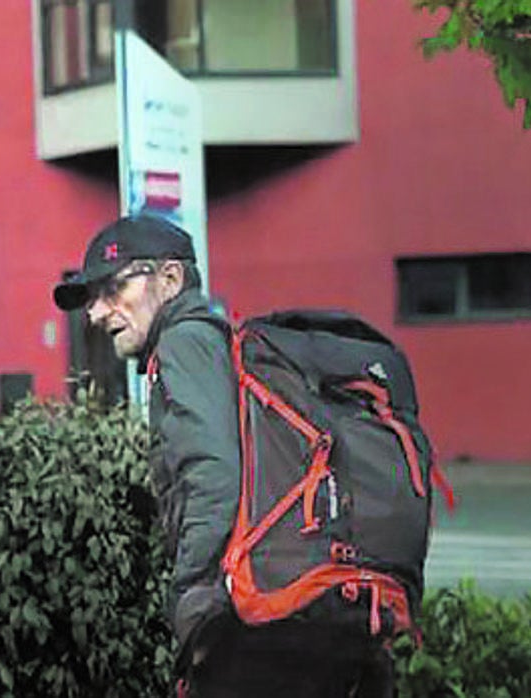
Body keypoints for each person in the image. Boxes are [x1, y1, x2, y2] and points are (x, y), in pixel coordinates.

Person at [53, 215, 394, 698]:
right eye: (91, 298)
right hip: (305, 617)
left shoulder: (183, 342)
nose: (95, 313)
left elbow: (213, 474)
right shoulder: (211, 342)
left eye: (112, 288)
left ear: (170, 279)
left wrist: (190, 595)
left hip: (256, 630)